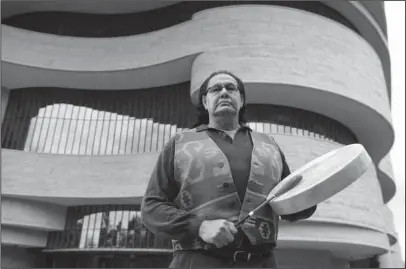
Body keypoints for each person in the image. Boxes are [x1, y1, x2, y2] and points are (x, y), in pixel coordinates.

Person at [141, 70, 317, 268]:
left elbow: (290, 207)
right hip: (196, 262)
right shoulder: (179, 143)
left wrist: (316, 191)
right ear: (205, 102)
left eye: (231, 88)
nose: (224, 92)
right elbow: (151, 207)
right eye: (216, 89)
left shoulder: (270, 145)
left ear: (241, 100)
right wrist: (199, 226)